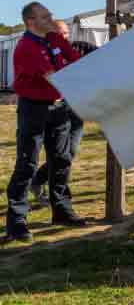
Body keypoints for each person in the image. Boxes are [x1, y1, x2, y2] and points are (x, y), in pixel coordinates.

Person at [4, 3, 87, 244]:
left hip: (59, 106)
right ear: (31, 21)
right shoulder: (26, 47)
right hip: (34, 108)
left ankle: (61, 211)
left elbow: (75, 62)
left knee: (61, 159)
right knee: (27, 164)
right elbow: (54, 77)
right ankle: (17, 222)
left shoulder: (55, 39)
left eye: (50, 14)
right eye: (45, 16)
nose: (51, 18)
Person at [30, 20, 93, 206]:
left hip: (76, 109)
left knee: (70, 152)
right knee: (59, 154)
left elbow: (105, 57)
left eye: (66, 33)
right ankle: (58, 194)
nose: (64, 37)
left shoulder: (80, 48)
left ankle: (39, 180)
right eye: (59, 34)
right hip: (55, 108)